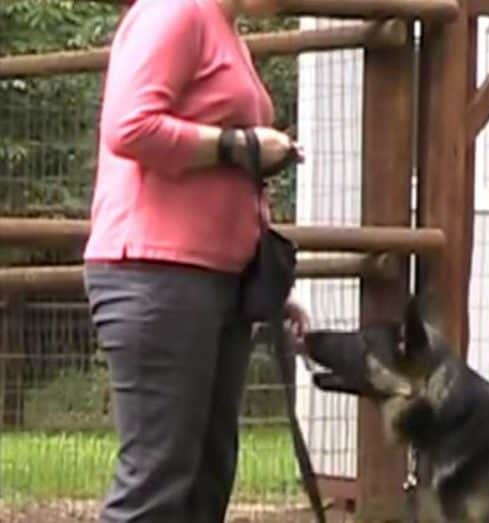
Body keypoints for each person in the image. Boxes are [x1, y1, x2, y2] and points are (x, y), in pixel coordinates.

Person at [83, 0, 309, 521]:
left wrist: (269, 284)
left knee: (207, 476)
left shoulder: (225, 29)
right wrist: (237, 145)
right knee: (157, 482)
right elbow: (129, 126)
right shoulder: (176, 11)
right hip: (156, 272)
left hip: (217, 279)